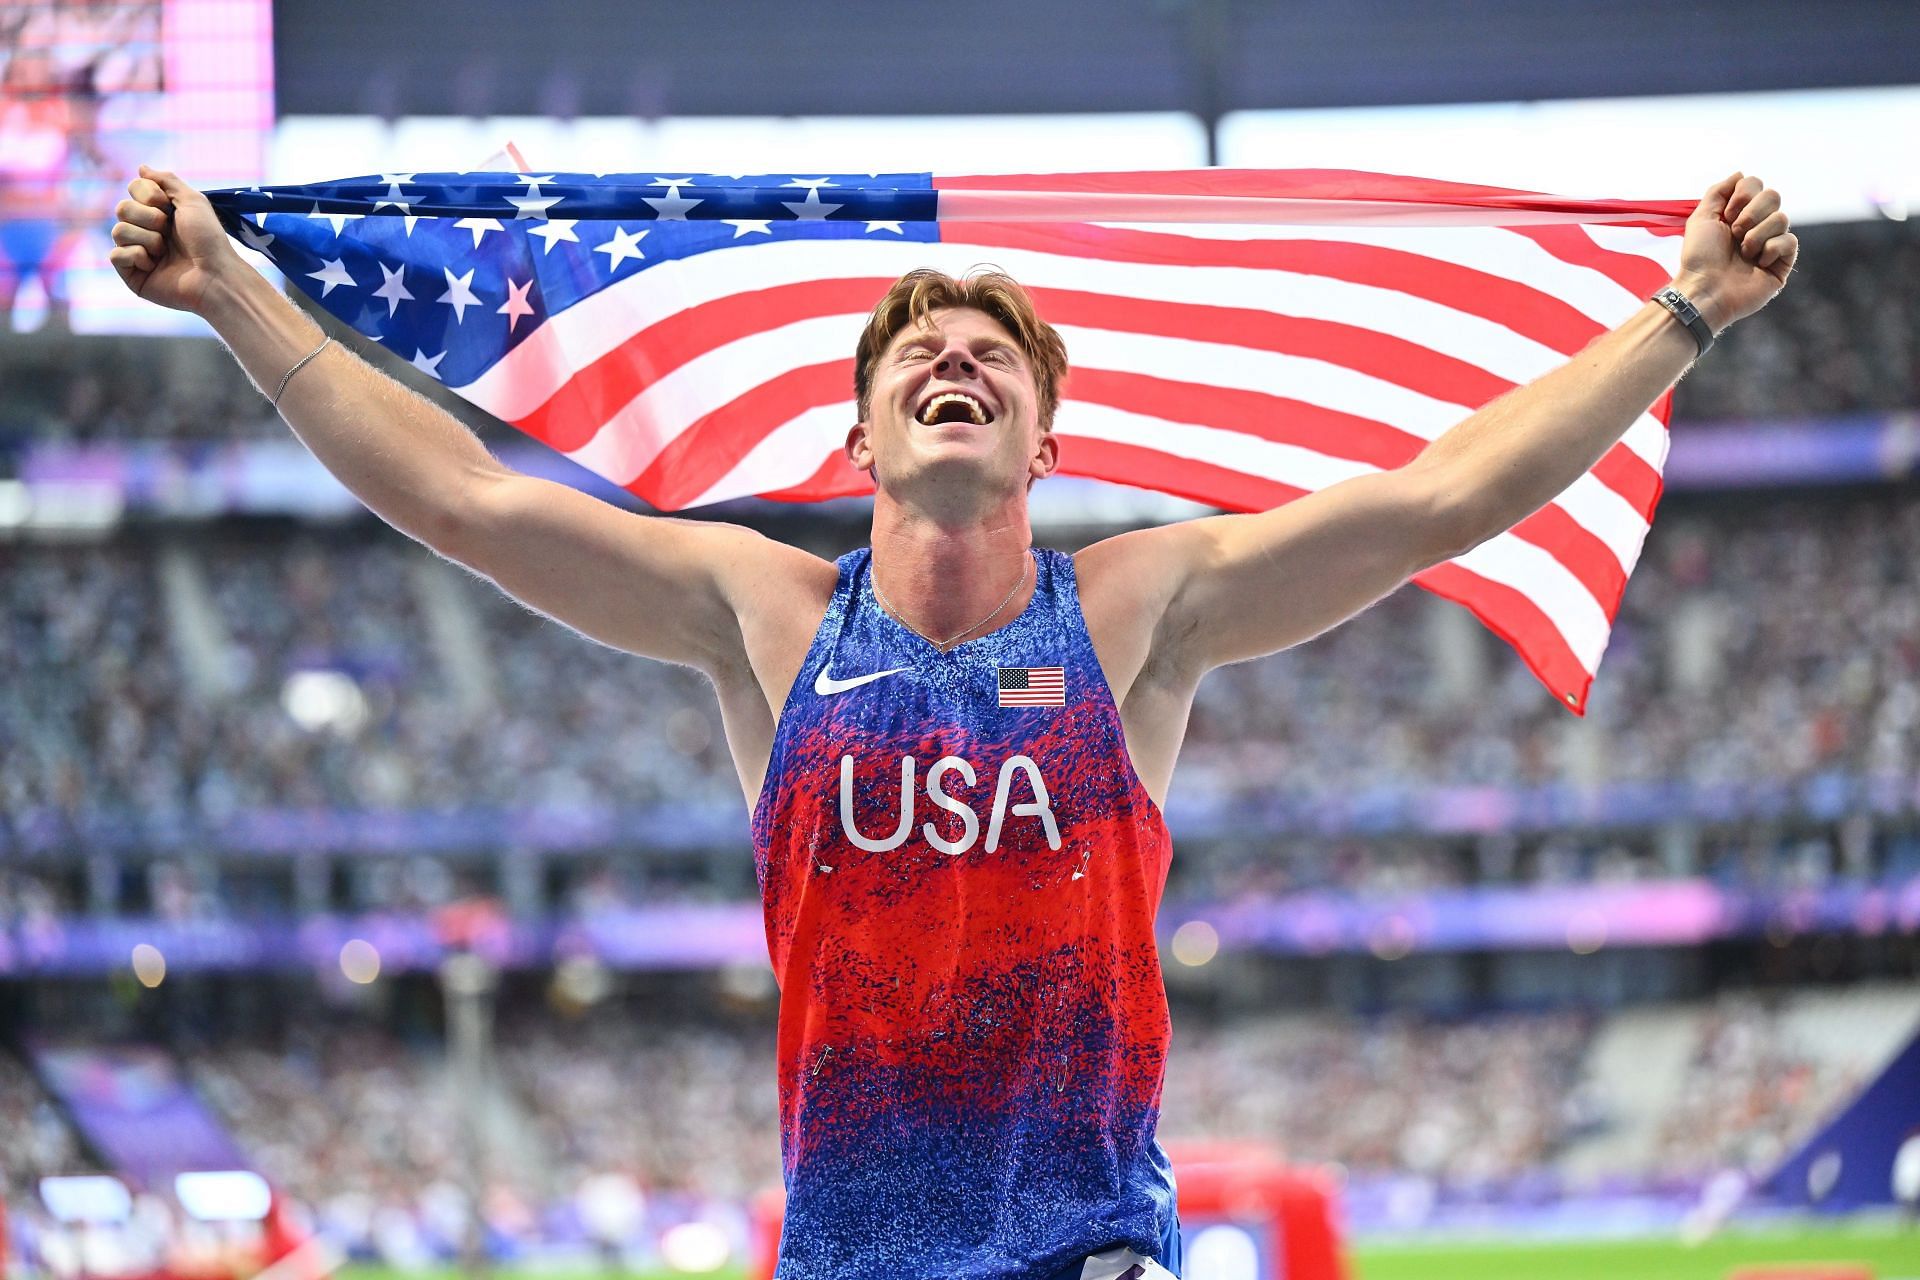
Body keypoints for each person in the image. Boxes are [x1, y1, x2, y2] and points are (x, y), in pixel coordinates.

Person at [109, 165, 1795, 1280]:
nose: (956, 358)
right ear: (860, 439)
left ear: (1043, 439)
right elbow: (468, 499)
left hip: (1092, 1259)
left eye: (994, 352)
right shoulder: (765, 617)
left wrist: (1685, 313)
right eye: (921, 351)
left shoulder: (1139, 611)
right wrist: (231, 293)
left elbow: (1441, 496)